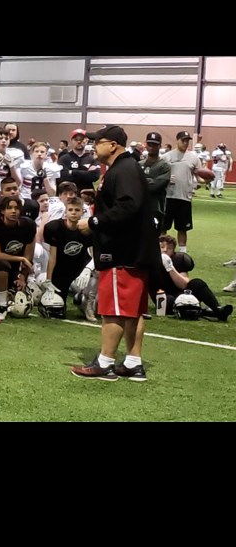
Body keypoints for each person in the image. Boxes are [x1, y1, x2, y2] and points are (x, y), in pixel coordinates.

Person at [72, 125, 160, 382]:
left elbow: (128, 205)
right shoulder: (126, 168)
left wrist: (94, 222)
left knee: (114, 310)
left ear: (112, 145)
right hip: (134, 251)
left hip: (122, 251)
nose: (92, 146)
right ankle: (133, 362)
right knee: (132, 310)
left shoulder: (123, 169)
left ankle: (105, 362)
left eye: (97, 142)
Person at [152, 234, 232, 321]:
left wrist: (170, 267)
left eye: (169, 248)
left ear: (173, 251)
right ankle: (205, 312)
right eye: (162, 247)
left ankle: (217, 309)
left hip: (182, 293)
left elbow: (183, 284)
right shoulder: (150, 262)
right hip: (162, 296)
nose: (165, 250)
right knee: (169, 300)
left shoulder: (178, 259)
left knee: (197, 283)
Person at [163, 131, 201, 252]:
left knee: (182, 228)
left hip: (184, 197)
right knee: (163, 227)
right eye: (183, 140)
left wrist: (207, 179)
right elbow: (159, 175)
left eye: (187, 141)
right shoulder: (166, 157)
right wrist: (166, 178)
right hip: (167, 197)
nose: (185, 143)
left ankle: (182, 253)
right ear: (177, 140)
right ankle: (160, 252)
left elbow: (199, 176)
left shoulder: (194, 158)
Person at [139, 131, 170, 231]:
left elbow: (155, 187)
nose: (151, 147)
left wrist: (143, 180)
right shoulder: (138, 164)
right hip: (139, 207)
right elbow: (133, 184)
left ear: (159, 146)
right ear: (146, 145)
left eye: (154, 145)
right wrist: (150, 180)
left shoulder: (164, 166)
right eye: (149, 144)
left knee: (154, 239)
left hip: (156, 208)